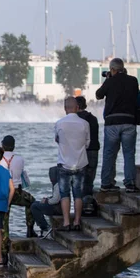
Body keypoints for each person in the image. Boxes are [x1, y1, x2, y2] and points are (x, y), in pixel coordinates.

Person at [96, 58, 140, 193]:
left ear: (112, 69)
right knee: (129, 154)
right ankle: (130, 183)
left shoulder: (110, 81)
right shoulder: (133, 81)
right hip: (129, 121)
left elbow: (99, 95)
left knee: (109, 154)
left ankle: (106, 183)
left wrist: (108, 79)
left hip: (112, 123)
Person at [0, 135, 37, 265]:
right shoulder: (20, 159)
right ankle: (30, 228)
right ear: (14, 146)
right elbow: (22, 174)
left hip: (4, 194)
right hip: (18, 192)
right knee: (32, 202)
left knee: (4, 223)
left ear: (2, 146)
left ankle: (4, 255)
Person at [55, 97, 89, 231]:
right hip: (80, 163)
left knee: (64, 194)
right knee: (78, 194)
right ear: (77, 108)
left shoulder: (59, 123)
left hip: (64, 163)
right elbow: (88, 143)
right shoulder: (85, 123)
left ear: (65, 109)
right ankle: (77, 222)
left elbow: (57, 139)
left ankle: (66, 222)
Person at [75, 97, 100, 197]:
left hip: (80, 151)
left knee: (78, 181)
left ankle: (79, 205)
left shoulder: (75, 120)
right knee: (89, 180)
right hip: (93, 150)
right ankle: (87, 203)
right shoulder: (93, 118)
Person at [30, 166, 62, 238]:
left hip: (57, 208)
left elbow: (56, 199)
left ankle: (45, 227)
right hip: (57, 206)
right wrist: (47, 199)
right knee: (35, 203)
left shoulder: (58, 184)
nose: (50, 177)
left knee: (34, 207)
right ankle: (43, 226)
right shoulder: (58, 183)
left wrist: (46, 201)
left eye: (51, 175)